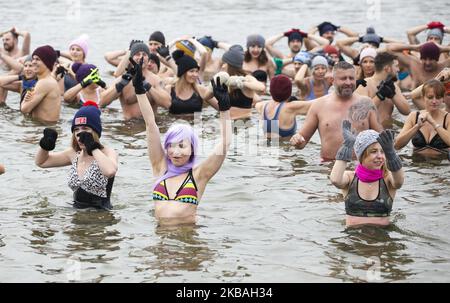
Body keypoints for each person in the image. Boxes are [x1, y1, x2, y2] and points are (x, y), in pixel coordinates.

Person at [130, 57, 232, 225]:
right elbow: (150, 124)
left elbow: (225, 142)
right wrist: (139, 89)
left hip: (188, 241)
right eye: (170, 146)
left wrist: (224, 108)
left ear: (192, 149)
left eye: (182, 146)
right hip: (161, 242)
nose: (175, 152)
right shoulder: (160, 167)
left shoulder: (199, 175)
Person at [290, 61, 383, 161]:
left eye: (351, 78)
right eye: (343, 78)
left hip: (359, 167)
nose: (348, 82)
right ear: (333, 81)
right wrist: (297, 140)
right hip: (329, 166)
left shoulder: (366, 104)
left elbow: (381, 139)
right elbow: (302, 141)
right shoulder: (319, 105)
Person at [35, 101, 118, 210]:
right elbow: (41, 162)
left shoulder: (107, 152)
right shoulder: (74, 153)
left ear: (95, 132)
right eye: (76, 129)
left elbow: (110, 171)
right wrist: (44, 147)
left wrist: (92, 147)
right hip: (76, 213)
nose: (80, 134)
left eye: (85, 129)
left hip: (100, 217)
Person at [330, 123, 404, 227]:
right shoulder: (350, 178)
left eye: (383, 151)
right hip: (353, 238)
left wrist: (391, 154)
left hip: (382, 239)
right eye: (373, 151)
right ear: (361, 155)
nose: (380, 156)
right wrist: (347, 146)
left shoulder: (388, 179)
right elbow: (335, 180)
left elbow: (399, 182)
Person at [100, 42, 170, 120]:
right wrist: (121, 85)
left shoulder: (155, 80)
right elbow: (102, 102)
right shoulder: (123, 79)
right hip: (128, 126)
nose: (141, 57)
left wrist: (148, 86)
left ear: (148, 58)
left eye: (144, 54)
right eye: (137, 54)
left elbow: (167, 104)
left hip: (150, 126)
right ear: (131, 58)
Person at [394, 80, 450, 158]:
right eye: (430, 97)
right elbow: (397, 145)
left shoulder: (448, 118)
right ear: (423, 97)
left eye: (438, 97)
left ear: (442, 99)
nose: (434, 101)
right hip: (417, 165)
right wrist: (417, 126)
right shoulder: (414, 116)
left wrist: (433, 123)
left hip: (441, 164)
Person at [355, 52, 410, 128]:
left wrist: (393, 95)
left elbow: (407, 111)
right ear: (387, 68)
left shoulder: (393, 86)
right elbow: (361, 115)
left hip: (389, 133)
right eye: (396, 66)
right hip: (370, 135)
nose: (398, 69)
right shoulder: (364, 85)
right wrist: (380, 96)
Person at [220, 45, 265, 119]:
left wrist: (241, 83)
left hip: (244, 123)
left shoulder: (247, 78)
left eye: (225, 63)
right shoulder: (224, 80)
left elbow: (261, 88)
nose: (222, 66)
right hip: (227, 122)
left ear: (231, 65)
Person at [20, 45, 61, 123]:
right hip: (47, 126)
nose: (33, 62)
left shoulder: (44, 83)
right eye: (33, 59)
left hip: (42, 128)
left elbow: (25, 109)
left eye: (38, 59)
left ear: (47, 62)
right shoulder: (50, 80)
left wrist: (25, 100)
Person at [386, 42, 450, 88]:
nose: (427, 63)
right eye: (424, 59)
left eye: (431, 59)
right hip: (415, 102)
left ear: (437, 59)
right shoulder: (414, 64)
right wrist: (414, 47)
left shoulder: (444, 66)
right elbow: (389, 49)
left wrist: (443, 49)